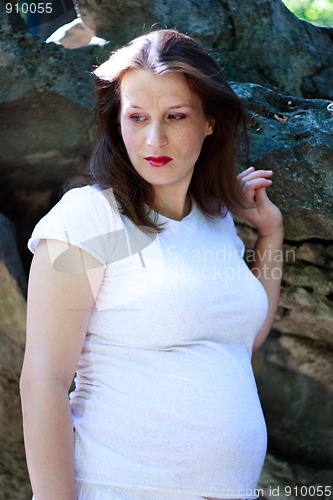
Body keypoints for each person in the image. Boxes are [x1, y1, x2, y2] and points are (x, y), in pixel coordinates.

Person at [20, 29, 283, 500]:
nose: (153, 138)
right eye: (136, 117)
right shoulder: (86, 216)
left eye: (175, 116)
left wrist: (270, 233)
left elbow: (240, 340)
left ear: (209, 122)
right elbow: (44, 380)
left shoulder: (216, 220)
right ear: (117, 121)